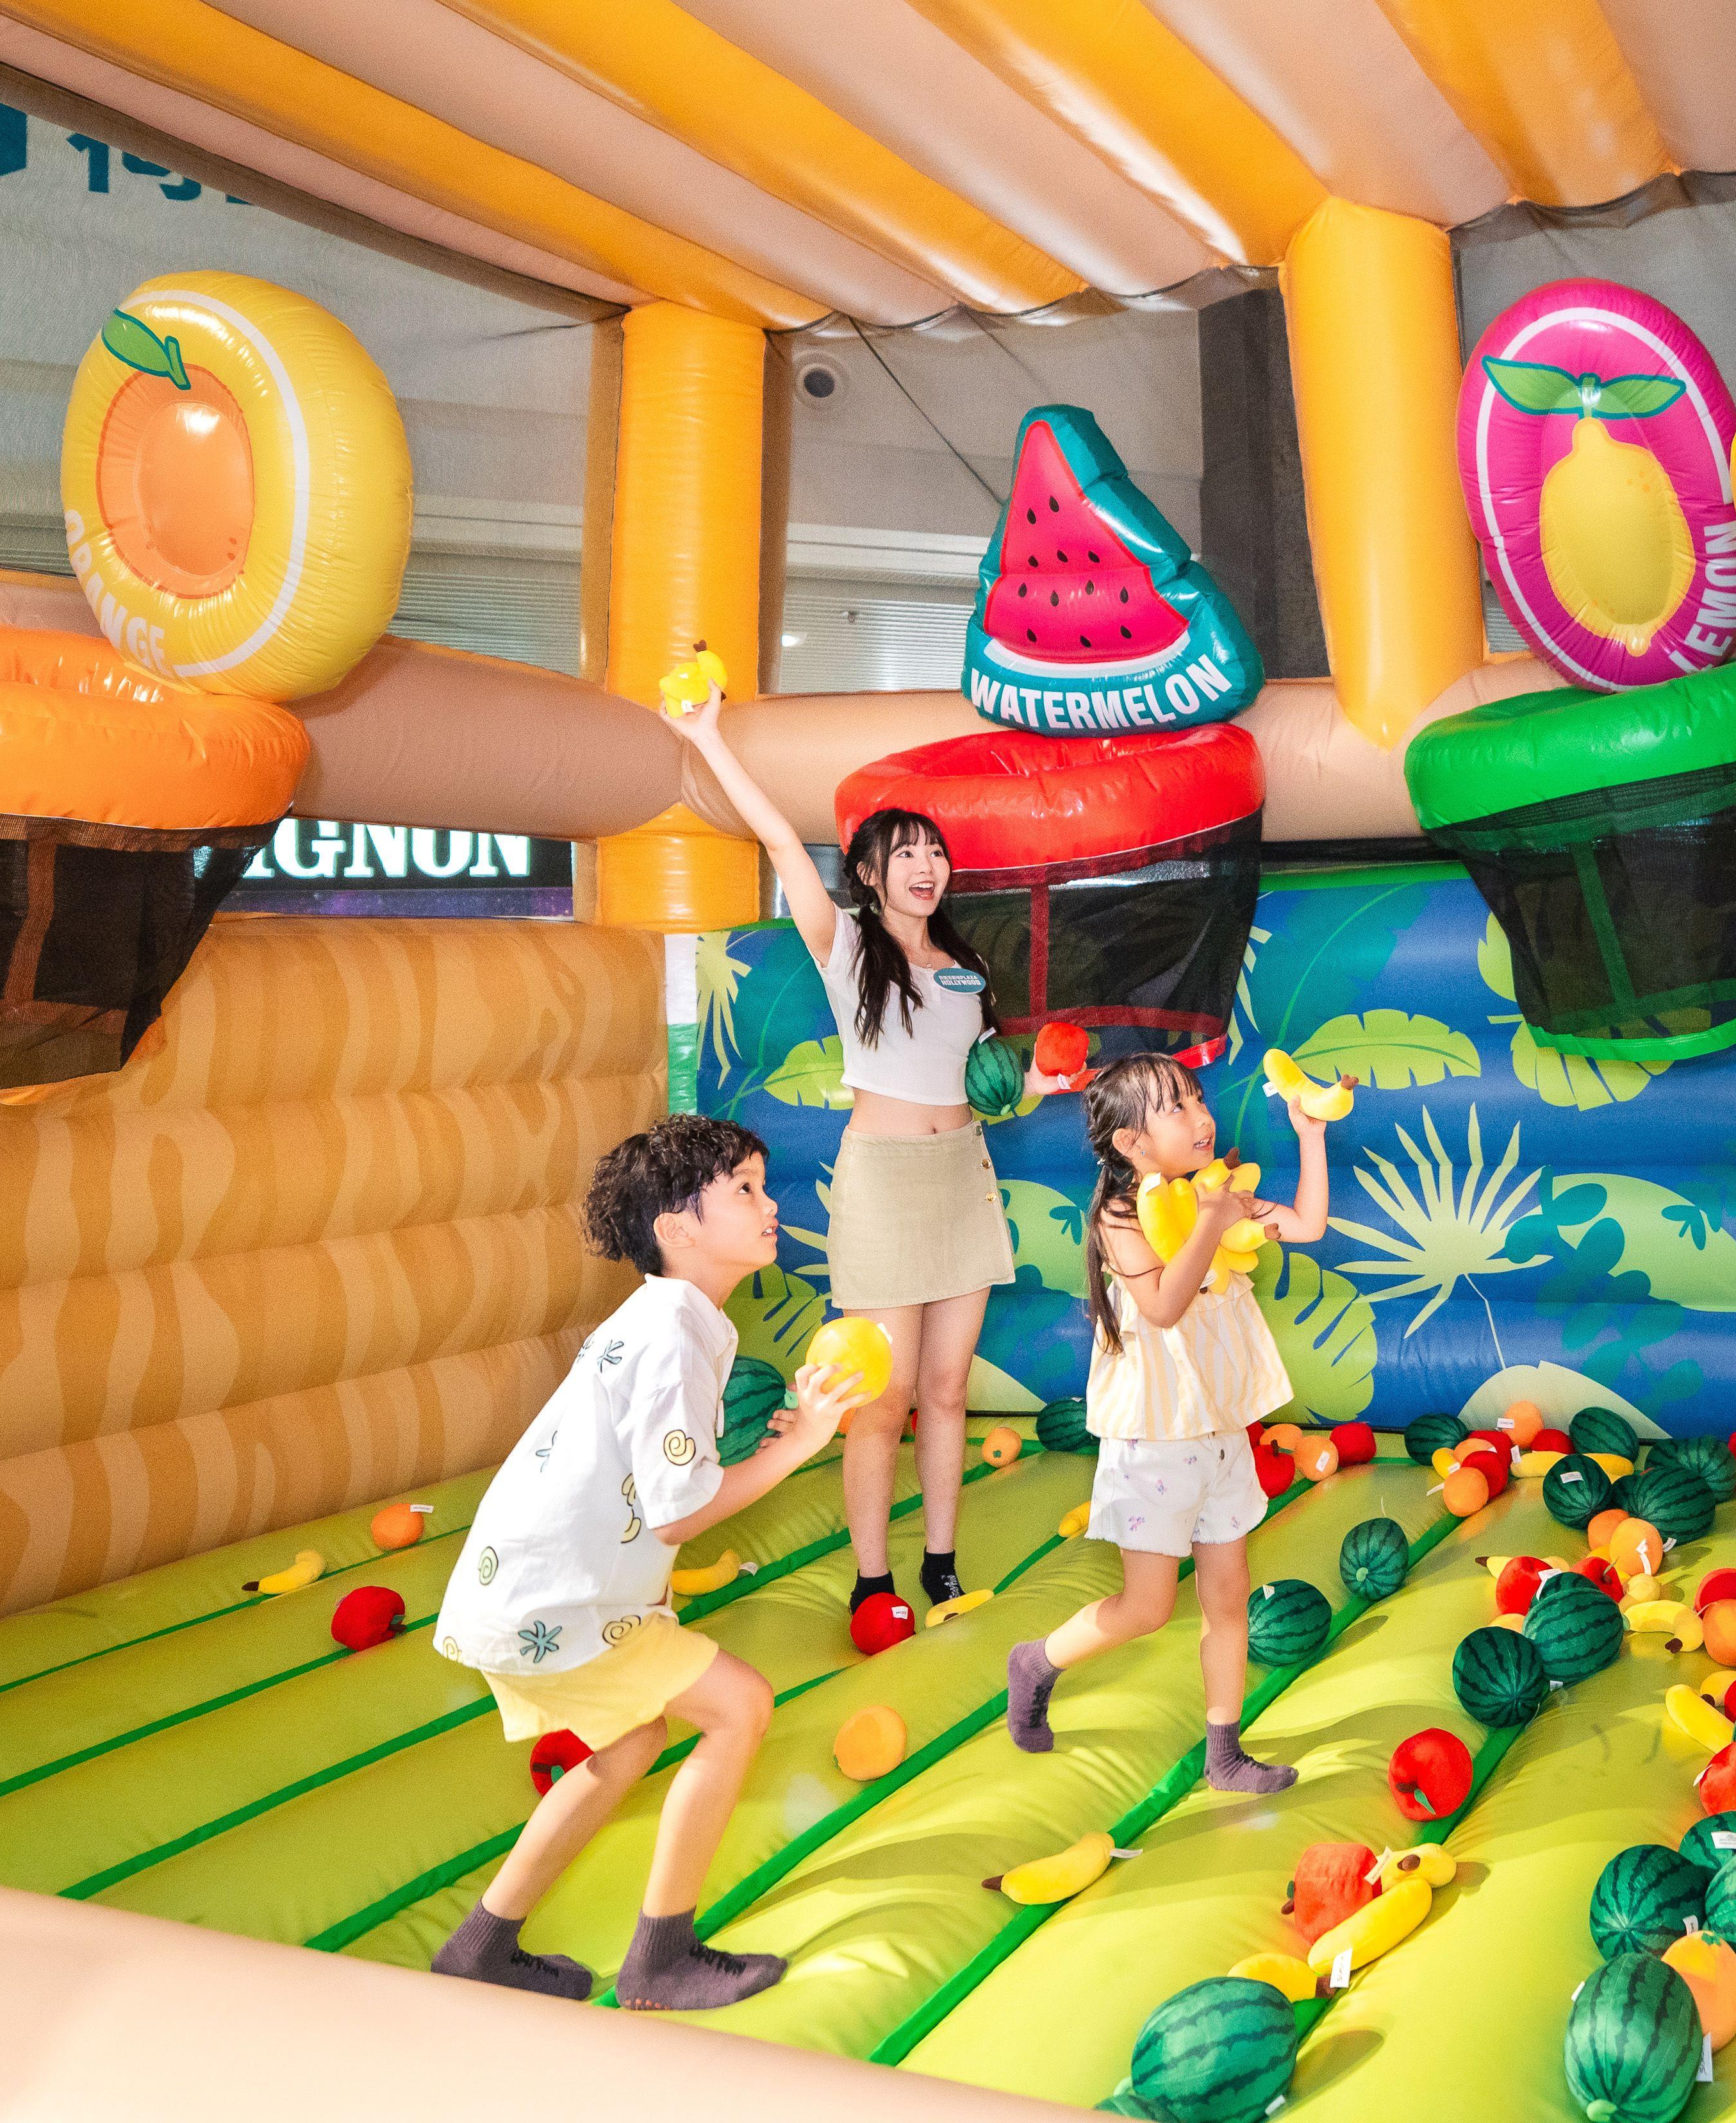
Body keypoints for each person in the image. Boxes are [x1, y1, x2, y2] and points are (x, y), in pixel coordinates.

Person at [427, 1115, 866, 2011]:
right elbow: (678, 1514)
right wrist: (801, 1446)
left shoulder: (675, 1320)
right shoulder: (673, 1334)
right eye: (742, 1189)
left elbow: (636, 1485)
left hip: (529, 1593)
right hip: (554, 1601)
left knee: (630, 1742)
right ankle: (661, 1960)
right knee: (740, 1708)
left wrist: (768, 1455)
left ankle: (480, 1947)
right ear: (676, 1228)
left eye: (762, 1183)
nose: (769, 1203)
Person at [668, 697, 1063, 1627]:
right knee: (882, 1402)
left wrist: (1039, 1083)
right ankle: (873, 1577)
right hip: (883, 1184)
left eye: (935, 853)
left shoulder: (967, 966)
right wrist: (706, 737)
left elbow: (982, 1088)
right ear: (869, 874)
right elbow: (778, 840)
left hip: (963, 1176)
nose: (927, 867)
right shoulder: (847, 948)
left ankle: (942, 1563)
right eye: (906, 853)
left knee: (948, 1390)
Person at [1004, 1053, 1338, 1794]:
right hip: (1153, 1439)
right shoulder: (1121, 1217)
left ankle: (1226, 1753)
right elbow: (1161, 1306)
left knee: (1229, 1594)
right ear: (1130, 1143)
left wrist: (1310, 1136)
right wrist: (1213, 1221)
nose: (1201, 1117)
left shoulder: (1212, 1194)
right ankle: (1036, 1660)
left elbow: (1308, 1224)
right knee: (1147, 1608)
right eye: (1177, 1107)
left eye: (1197, 1098)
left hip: (1219, 1429)